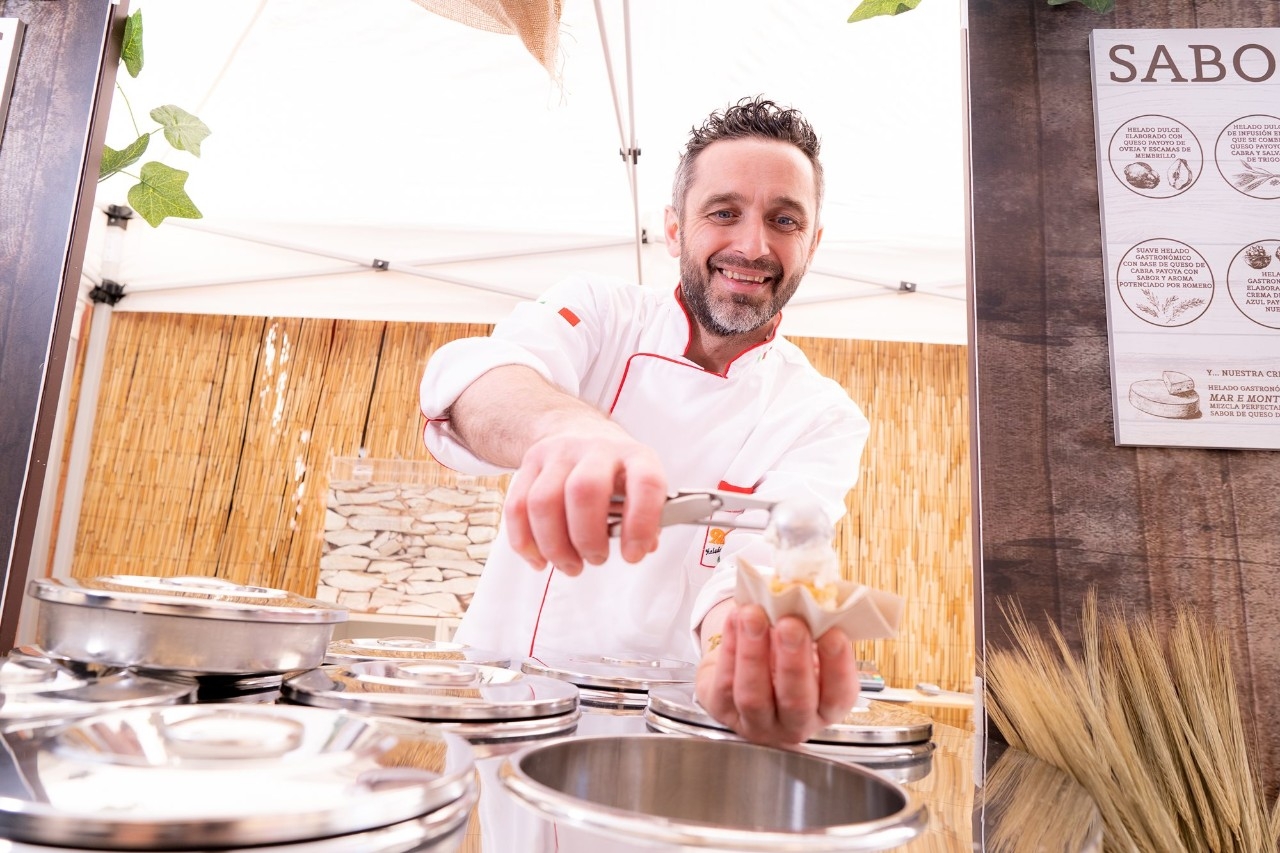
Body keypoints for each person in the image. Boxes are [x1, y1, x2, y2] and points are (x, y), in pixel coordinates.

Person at [418, 95, 869, 746]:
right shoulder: (599, 314)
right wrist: (570, 433)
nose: (753, 245)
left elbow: (767, 559)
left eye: (784, 220)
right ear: (675, 229)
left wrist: (745, 645)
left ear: (813, 243)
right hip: (504, 711)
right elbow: (479, 381)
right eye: (724, 212)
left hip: (670, 735)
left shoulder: (821, 415)